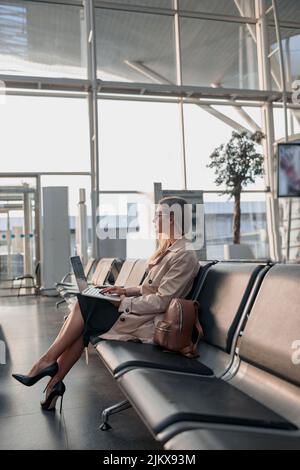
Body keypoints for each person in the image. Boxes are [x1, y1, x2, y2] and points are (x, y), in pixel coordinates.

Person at [12, 196, 199, 412]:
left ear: (172, 218)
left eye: (157, 216)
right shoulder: (169, 250)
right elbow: (151, 288)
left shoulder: (184, 255)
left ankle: (47, 366)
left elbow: (163, 301)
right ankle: (52, 381)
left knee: (85, 306)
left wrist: (121, 303)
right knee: (86, 317)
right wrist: (123, 290)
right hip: (139, 313)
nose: (153, 222)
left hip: (148, 324)